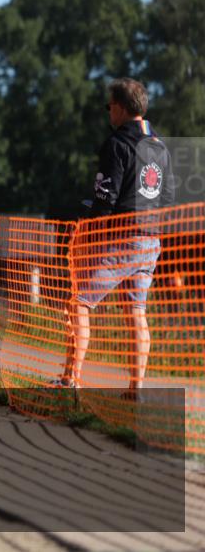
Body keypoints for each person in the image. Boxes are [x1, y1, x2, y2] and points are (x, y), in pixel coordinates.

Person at [56, 78, 175, 396]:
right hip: (151, 241)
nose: (109, 113)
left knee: (78, 301)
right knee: (136, 311)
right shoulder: (160, 146)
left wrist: (89, 230)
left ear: (120, 108)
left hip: (121, 236)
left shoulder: (117, 143)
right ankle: (135, 388)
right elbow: (169, 196)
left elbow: (105, 197)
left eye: (109, 107)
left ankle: (70, 380)